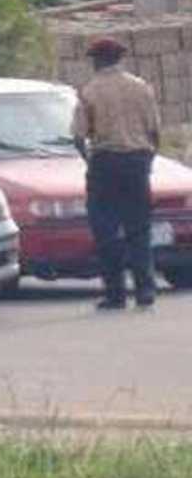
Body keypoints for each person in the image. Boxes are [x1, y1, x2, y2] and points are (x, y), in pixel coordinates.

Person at [72, 37, 162, 310]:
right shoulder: (141, 87)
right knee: (139, 228)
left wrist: (90, 161)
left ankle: (116, 293)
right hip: (136, 162)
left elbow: (78, 135)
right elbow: (155, 130)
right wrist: (147, 159)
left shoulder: (90, 91)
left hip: (106, 162)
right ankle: (145, 289)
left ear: (97, 60)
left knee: (106, 229)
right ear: (119, 59)